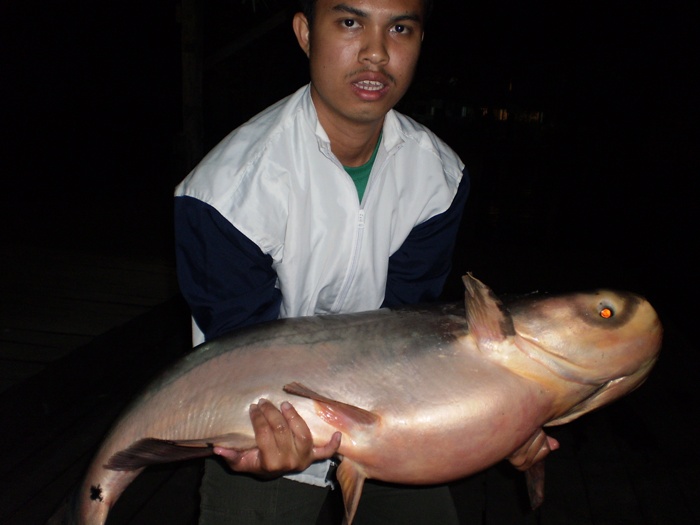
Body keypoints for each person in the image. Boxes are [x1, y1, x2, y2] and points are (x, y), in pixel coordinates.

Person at [174, 0, 472, 522]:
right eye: (351, 23)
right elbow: (244, 353)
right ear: (306, 33)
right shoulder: (222, 194)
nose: (377, 53)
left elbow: (408, 327)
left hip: (390, 416)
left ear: (420, 42)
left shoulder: (439, 178)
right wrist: (267, 434)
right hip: (265, 417)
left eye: (399, 28)